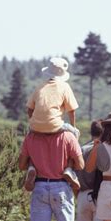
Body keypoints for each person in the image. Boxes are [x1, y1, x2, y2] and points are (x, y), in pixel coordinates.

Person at [23, 57, 81, 192]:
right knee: (74, 136)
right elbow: (71, 111)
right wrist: (73, 128)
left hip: (35, 126)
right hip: (55, 124)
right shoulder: (65, 86)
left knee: (32, 142)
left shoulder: (40, 86)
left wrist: (34, 123)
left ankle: (32, 168)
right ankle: (69, 169)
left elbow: (29, 109)